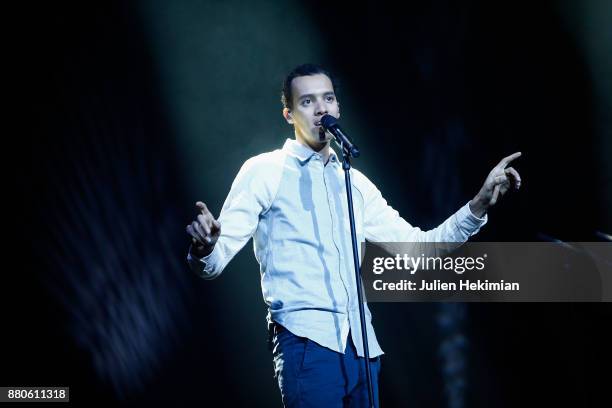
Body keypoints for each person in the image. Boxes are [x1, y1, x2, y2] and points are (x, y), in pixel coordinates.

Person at [185, 63, 521, 407]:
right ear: (288, 114)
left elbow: (420, 250)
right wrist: (205, 246)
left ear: (338, 108)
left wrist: (478, 205)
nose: (321, 109)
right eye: (308, 101)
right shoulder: (265, 171)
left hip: (362, 348)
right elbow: (213, 261)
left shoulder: (355, 184)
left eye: (328, 98)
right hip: (307, 344)